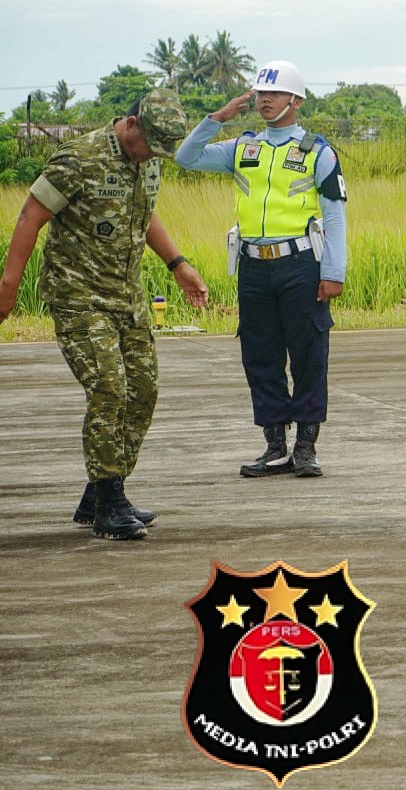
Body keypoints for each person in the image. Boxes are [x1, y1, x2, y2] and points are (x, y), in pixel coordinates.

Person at [0, 89, 207, 539]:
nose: (153, 155)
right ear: (131, 124)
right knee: (109, 389)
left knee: (143, 391)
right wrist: (8, 289)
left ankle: (100, 492)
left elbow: (144, 215)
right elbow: (30, 216)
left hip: (127, 297)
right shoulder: (78, 158)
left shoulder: (148, 159)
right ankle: (110, 502)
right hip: (78, 295)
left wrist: (178, 265)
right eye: (150, 144)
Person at [176, 61, 347, 480]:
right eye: (260, 93)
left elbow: (334, 214)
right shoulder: (242, 147)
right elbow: (186, 157)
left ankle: (305, 447)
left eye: (275, 93)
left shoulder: (317, 151)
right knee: (260, 356)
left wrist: (333, 271)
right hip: (254, 267)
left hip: (300, 265)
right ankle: (274, 446)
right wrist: (217, 118)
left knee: (308, 356)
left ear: (296, 100)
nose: (265, 100)